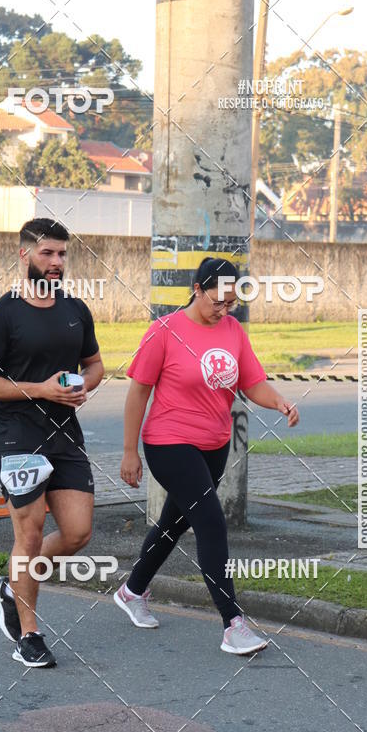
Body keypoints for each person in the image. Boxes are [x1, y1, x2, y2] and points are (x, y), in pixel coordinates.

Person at [116, 256, 299, 655]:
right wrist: (130, 452)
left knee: (174, 523)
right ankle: (233, 624)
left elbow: (253, 383)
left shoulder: (233, 330)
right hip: (168, 441)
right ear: (197, 289)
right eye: (217, 300)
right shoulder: (164, 331)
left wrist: (281, 402)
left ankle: (132, 590)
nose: (224, 309)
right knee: (211, 522)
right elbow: (137, 393)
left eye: (231, 302)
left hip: (214, 444)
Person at [0, 218, 104, 668]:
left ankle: (12, 584)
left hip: (64, 434)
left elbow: (95, 364)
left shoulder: (75, 310)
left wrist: (82, 386)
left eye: (63, 254)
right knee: (27, 534)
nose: (56, 262)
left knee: (77, 533)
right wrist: (41, 389)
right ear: (24, 254)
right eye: (47, 253)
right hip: (17, 436)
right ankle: (29, 634)